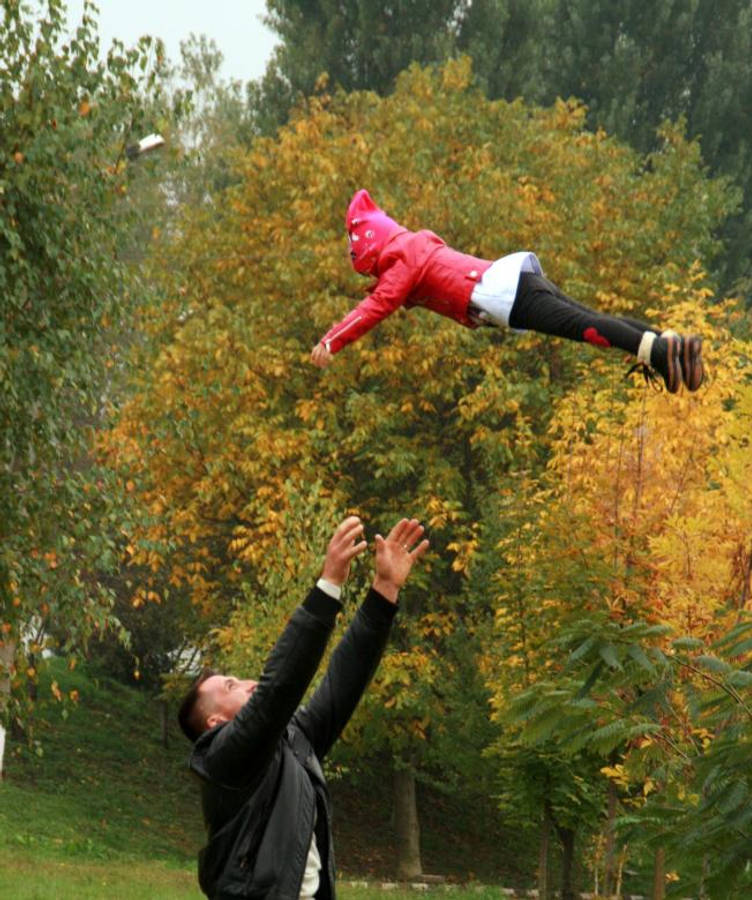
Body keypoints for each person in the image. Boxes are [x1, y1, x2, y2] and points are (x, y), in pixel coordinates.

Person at [178, 515, 429, 899]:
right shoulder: (221, 759)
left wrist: (383, 590)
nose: (246, 682)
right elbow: (278, 689)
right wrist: (328, 585)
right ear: (214, 721)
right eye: (230, 685)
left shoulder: (294, 741)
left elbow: (342, 683)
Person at [310, 189, 704, 394]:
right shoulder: (410, 249)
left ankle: (663, 354)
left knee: (585, 327)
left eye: (352, 241)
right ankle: (668, 344)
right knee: (590, 319)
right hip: (513, 284)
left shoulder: (403, 256)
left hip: (507, 293)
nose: (351, 250)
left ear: (369, 238)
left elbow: (380, 303)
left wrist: (332, 341)